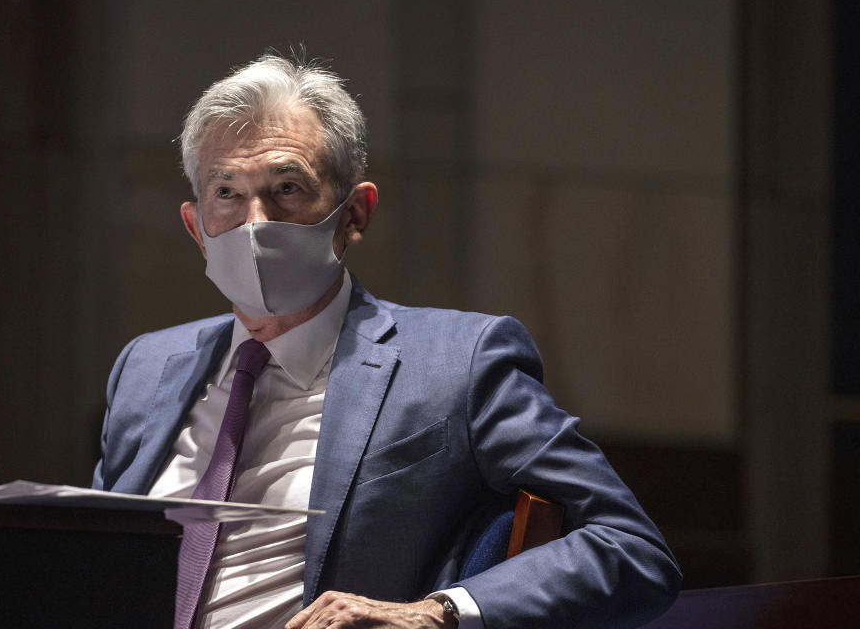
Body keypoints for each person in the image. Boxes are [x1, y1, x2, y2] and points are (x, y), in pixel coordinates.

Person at [92, 52, 681, 629]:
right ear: (196, 226)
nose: (254, 222)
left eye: (287, 188)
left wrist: (437, 613)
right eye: (226, 193)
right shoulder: (147, 367)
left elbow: (629, 548)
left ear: (355, 214)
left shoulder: (459, 361)